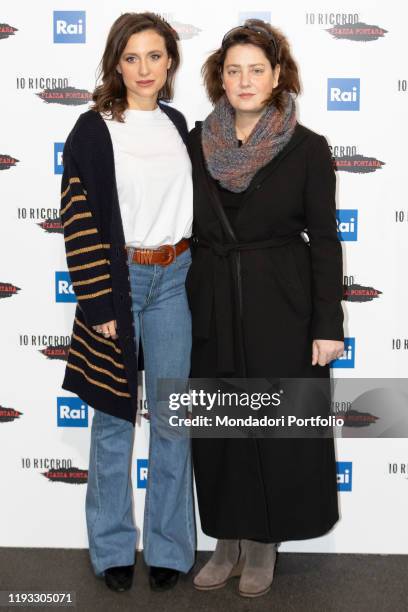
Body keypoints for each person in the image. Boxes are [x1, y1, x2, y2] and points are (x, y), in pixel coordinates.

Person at [186, 19, 344, 598]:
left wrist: (328, 324)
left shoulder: (309, 148)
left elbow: (325, 242)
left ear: (278, 76)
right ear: (219, 79)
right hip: (212, 298)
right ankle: (225, 537)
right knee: (219, 421)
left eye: (256, 69)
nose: (245, 80)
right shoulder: (195, 143)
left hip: (283, 301)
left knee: (274, 425)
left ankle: (263, 543)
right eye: (233, 70)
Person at [59, 12, 195, 593]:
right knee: (113, 420)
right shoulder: (93, 129)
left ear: (170, 62)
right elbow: (79, 222)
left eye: (155, 56)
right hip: (120, 284)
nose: (144, 69)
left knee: (173, 420)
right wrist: (101, 304)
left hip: (176, 277)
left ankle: (169, 546)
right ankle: (112, 548)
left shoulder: (179, 123)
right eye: (132, 57)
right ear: (117, 62)